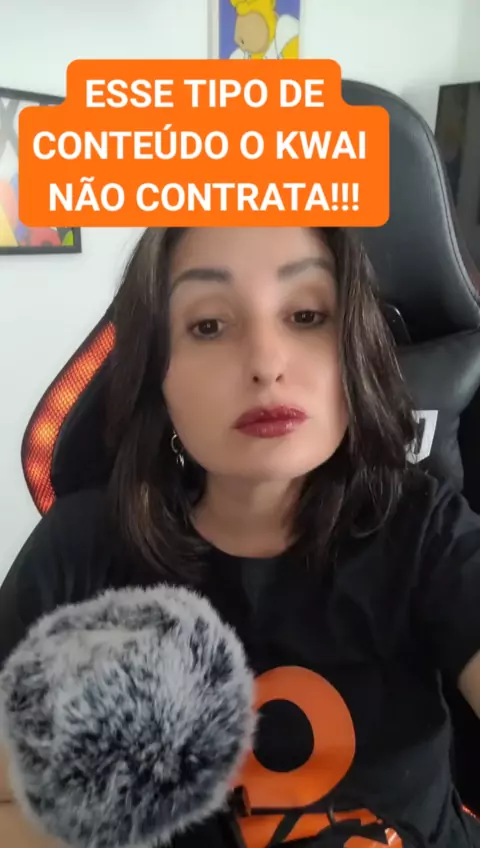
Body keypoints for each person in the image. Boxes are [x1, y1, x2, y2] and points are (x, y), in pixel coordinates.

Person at [1, 225, 480, 848]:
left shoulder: (426, 531)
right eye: (208, 326)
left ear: (354, 349)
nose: (265, 365)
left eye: (306, 315)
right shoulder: (82, 549)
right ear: (157, 376)